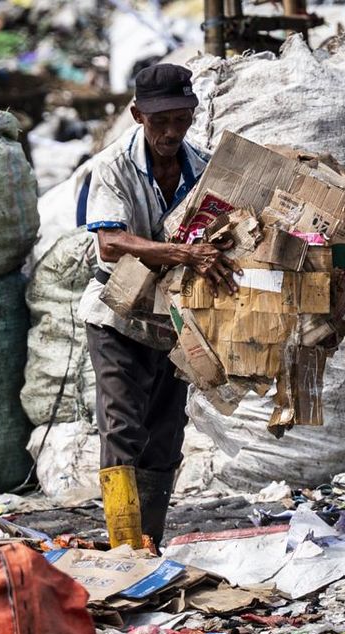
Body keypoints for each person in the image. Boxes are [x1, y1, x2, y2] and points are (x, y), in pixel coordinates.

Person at [77, 63, 241, 548]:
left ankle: (150, 543)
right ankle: (122, 547)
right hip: (117, 317)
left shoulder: (203, 166)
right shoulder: (113, 166)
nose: (171, 132)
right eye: (160, 121)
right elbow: (110, 243)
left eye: (181, 119)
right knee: (123, 431)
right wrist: (184, 253)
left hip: (172, 321)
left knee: (166, 436)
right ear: (137, 115)